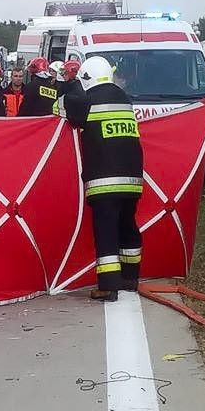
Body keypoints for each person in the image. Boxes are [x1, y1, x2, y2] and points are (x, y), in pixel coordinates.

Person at [59, 56, 144, 301]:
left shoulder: (87, 100)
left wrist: (70, 83)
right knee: (128, 225)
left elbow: (62, 108)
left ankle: (108, 286)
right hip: (132, 178)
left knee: (106, 231)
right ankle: (130, 278)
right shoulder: (124, 98)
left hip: (104, 180)